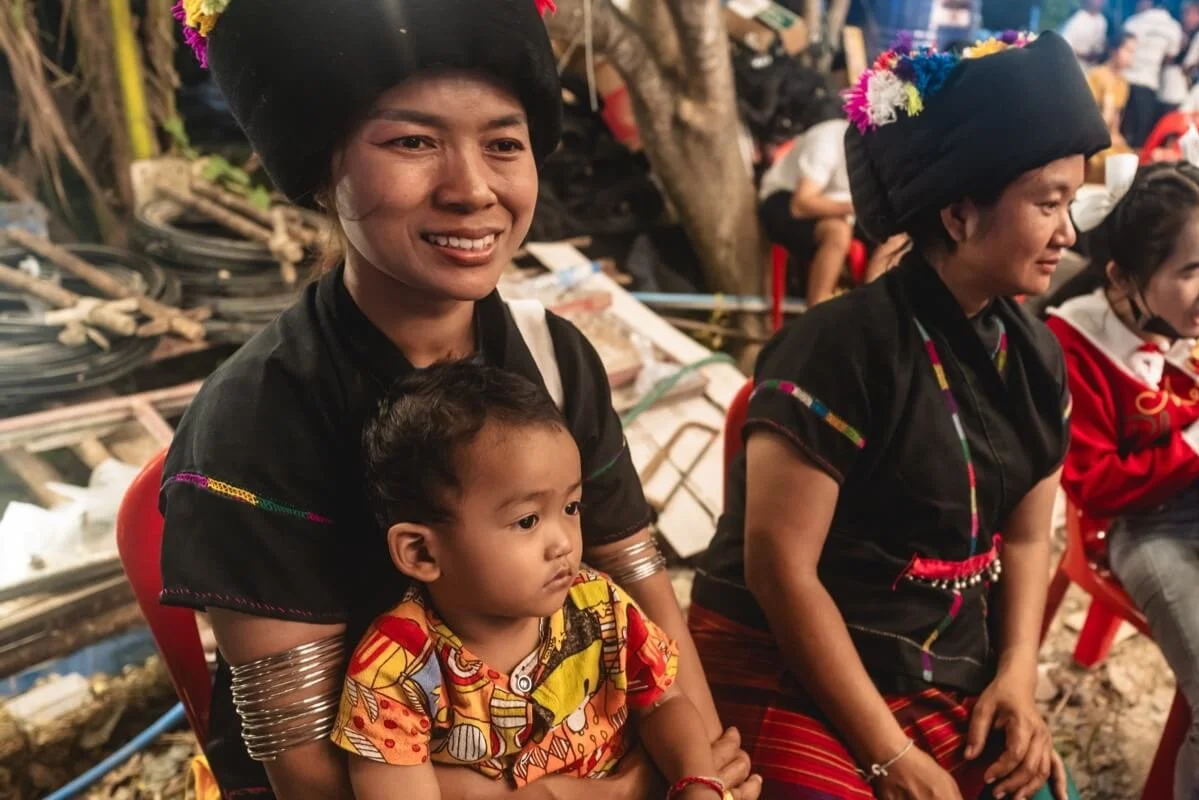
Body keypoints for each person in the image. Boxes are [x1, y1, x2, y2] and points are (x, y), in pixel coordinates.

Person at [161, 1, 760, 798]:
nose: (473, 189)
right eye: (412, 141)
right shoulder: (257, 420)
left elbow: (642, 595)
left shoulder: (555, 355)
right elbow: (304, 771)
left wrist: (698, 773)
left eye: (504, 144)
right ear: (321, 164)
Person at [690, 31, 1109, 800]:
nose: (1068, 233)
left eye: (1072, 204)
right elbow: (779, 570)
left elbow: (1023, 535)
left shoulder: (1035, 359)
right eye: (1049, 204)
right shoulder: (839, 350)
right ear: (958, 214)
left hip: (934, 648)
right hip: (784, 645)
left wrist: (1015, 677)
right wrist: (888, 756)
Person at [333, 362, 725, 799]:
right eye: (527, 521)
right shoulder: (394, 672)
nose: (563, 543)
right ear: (422, 552)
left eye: (571, 508)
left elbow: (664, 702)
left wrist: (697, 783)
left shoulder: (600, 605)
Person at [1047, 159, 1199, 800]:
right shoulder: (1074, 341)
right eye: (1192, 272)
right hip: (1142, 527)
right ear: (1123, 277)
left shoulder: (1180, 321)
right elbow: (1095, 486)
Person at [758, 117, 908, 306]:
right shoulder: (829, 140)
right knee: (837, 231)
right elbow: (801, 205)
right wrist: (857, 207)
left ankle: (875, 309)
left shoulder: (886, 153)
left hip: (843, 209)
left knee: (897, 236)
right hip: (784, 200)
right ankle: (816, 313)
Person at [1123, 1, 1184, 148]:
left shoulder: (1134, 22)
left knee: (1121, 132)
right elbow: (1170, 57)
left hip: (1123, 83)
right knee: (1140, 138)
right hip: (1148, 84)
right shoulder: (1173, 28)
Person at [1086, 34, 1138, 182]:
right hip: (1092, 138)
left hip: (1108, 138)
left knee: (1130, 159)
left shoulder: (1123, 83)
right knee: (1109, 162)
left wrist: (1116, 136)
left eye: (1133, 52)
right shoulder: (1096, 75)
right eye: (1127, 50)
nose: (1130, 56)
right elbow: (1088, 116)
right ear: (1114, 50)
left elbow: (1116, 119)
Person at [1062, 0, 1110, 67]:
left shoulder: (1102, 20)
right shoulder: (1076, 21)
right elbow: (1063, 48)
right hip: (1076, 67)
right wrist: (1084, 56)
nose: (1100, 1)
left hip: (1093, 67)